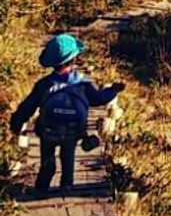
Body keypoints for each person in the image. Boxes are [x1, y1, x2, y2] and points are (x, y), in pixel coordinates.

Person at [9, 34, 124, 195]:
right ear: (75, 59)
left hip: (48, 129)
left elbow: (28, 106)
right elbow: (98, 99)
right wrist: (114, 90)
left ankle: (43, 181)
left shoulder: (44, 84)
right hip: (73, 129)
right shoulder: (83, 84)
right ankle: (66, 184)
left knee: (47, 153)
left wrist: (16, 122)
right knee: (67, 156)